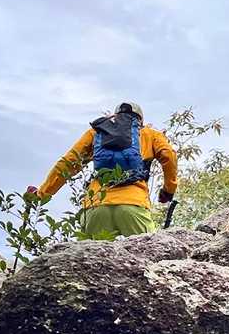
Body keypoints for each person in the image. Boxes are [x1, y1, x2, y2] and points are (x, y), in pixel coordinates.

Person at [27, 102, 178, 238]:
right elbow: (169, 155)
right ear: (140, 120)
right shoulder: (150, 134)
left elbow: (67, 163)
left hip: (96, 206)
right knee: (149, 255)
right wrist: (168, 190)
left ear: (115, 116)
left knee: (89, 259)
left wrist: (42, 194)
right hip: (133, 205)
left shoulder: (97, 133)